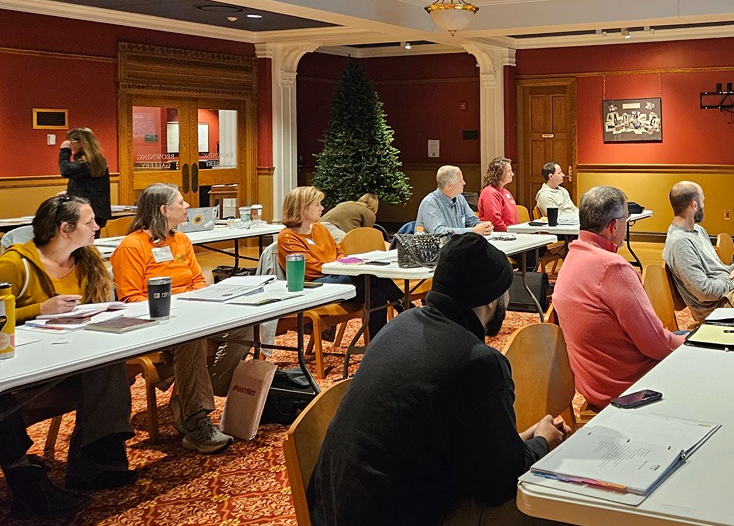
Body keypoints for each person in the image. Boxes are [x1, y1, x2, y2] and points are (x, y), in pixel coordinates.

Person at [308, 233, 624, 526]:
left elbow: (455, 452)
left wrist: (521, 441)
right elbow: (498, 486)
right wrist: (543, 443)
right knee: (599, 522)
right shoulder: (476, 363)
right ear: (491, 301)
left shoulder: (401, 327)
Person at [0, 195, 136, 517]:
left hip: (68, 355)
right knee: (105, 371)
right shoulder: (15, 264)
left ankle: (95, 458)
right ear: (65, 228)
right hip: (25, 364)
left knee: (110, 364)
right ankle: (80, 464)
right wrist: (39, 310)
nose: (97, 227)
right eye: (89, 222)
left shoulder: (86, 261)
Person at [110, 184, 249, 454]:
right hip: (153, 323)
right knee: (192, 339)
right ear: (163, 210)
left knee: (244, 325)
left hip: (192, 313)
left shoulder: (181, 240)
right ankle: (196, 421)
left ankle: (194, 394)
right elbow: (130, 300)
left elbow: (198, 279)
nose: (187, 207)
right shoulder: (132, 246)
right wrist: (176, 308)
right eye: (181, 203)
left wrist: (199, 303)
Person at [554, 186, 684, 409]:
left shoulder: (573, 256)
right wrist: (692, 341)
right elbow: (657, 345)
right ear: (614, 226)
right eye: (626, 218)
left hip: (596, 384)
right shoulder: (612, 268)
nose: (627, 223)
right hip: (632, 388)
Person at [278, 186, 402, 340]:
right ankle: (408, 312)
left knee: (377, 293)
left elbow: (339, 252)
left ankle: (378, 343)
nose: (322, 208)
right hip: (315, 285)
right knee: (372, 277)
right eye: (317, 204)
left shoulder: (320, 229)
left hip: (336, 276)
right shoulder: (288, 236)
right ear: (302, 208)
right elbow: (309, 269)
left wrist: (341, 265)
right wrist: (338, 267)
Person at [662, 181, 734, 322]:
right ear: (694, 205)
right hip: (717, 309)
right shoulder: (680, 243)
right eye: (703, 201)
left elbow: (718, 267)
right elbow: (704, 291)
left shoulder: (699, 231)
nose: (704, 205)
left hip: (728, 296)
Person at [58, 127, 112, 232]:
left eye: (71, 141)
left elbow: (66, 171)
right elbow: (88, 184)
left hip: (89, 211)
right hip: (96, 210)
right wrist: (69, 192)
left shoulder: (88, 161)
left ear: (81, 143)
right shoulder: (95, 159)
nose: (70, 144)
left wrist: (65, 151)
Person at [415, 165, 493, 235]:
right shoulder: (430, 203)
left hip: (457, 247)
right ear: (450, 185)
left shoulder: (460, 198)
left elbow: (473, 221)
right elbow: (438, 232)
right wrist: (473, 231)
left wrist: (484, 227)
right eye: (460, 180)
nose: (464, 183)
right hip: (437, 250)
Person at [479, 156, 519, 232]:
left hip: (512, 233)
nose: (512, 174)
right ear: (499, 173)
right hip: (501, 236)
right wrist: (511, 233)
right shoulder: (490, 193)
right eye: (509, 171)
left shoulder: (506, 192)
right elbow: (495, 222)